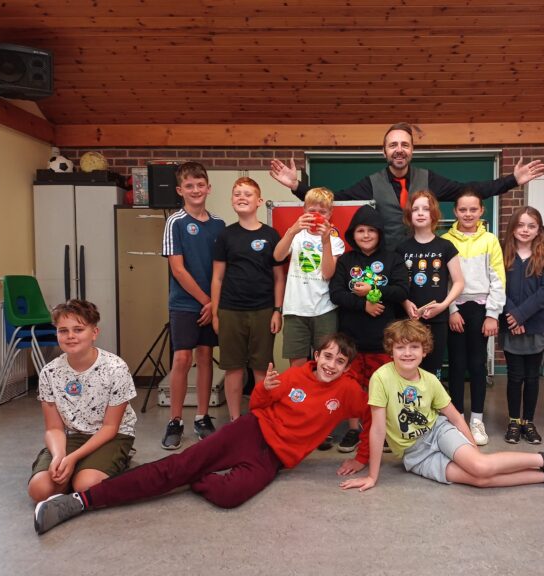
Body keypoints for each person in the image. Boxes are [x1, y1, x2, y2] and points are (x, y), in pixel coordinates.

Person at [33, 334, 372, 535]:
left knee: (229, 496)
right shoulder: (296, 375)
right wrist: (267, 389)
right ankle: (78, 503)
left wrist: (362, 458)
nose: (331, 364)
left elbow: (372, 416)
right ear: (317, 355)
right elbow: (257, 404)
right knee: (174, 469)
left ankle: (195, 472)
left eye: (339, 361)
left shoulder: (348, 392)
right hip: (251, 432)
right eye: (327, 356)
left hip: (275, 459)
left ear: (346, 367)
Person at [339, 320, 544, 493]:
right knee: (480, 480)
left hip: (438, 432)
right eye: (400, 347)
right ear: (391, 350)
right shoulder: (381, 378)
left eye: (414, 347)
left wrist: (472, 449)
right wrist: (373, 476)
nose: (407, 353)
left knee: (480, 467)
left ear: (424, 351)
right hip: (413, 455)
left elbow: (455, 417)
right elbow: (377, 430)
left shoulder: (430, 381)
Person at [269, 122, 544, 248]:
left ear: (412, 150)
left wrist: (512, 180)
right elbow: (336, 199)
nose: (398, 149)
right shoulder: (371, 183)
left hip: (422, 258)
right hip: (385, 262)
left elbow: (469, 191)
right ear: (384, 152)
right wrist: (297, 187)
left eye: (404, 144)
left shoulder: (429, 179)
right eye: (393, 145)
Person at [27, 300, 137, 503]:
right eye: (63, 330)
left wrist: (73, 458)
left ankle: (111, 460)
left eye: (78, 329)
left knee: (85, 486)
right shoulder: (49, 372)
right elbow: (53, 428)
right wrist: (60, 456)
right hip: (73, 435)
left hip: (111, 435)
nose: (70, 336)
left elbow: (111, 427)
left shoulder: (115, 368)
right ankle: (74, 468)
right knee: (39, 490)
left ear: (94, 332)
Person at [329, 204, 409, 452]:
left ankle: (381, 429)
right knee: (352, 388)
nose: (365, 235)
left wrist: (376, 293)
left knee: (381, 386)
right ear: (352, 233)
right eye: (360, 230)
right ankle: (354, 429)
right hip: (351, 338)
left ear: (380, 233)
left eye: (371, 230)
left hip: (382, 338)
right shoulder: (346, 261)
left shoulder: (393, 258)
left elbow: (401, 290)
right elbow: (336, 294)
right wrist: (363, 304)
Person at [160, 161, 226, 450]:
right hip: (186, 304)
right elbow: (178, 270)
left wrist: (215, 304)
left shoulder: (219, 224)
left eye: (200, 185)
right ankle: (175, 420)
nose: (195, 190)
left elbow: (222, 269)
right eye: (189, 186)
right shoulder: (175, 222)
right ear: (180, 190)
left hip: (211, 304)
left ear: (208, 188)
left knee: (205, 355)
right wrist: (206, 301)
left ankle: (202, 416)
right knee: (182, 359)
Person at [211, 176, 286, 421]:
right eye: (237, 194)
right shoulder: (225, 235)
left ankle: (260, 418)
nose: (242, 197)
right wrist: (215, 312)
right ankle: (234, 420)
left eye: (248, 194)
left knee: (261, 368)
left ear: (259, 201)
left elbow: (278, 278)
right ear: (232, 200)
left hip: (264, 310)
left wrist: (277, 310)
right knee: (233, 369)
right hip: (230, 311)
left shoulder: (271, 235)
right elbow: (217, 278)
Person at [442, 190, 505, 446]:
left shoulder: (490, 240)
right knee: (456, 365)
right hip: (455, 308)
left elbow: (498, 278)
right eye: (462, 210)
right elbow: (442, 282)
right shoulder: (445, 240)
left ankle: (476, 420)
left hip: (481, 309)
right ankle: (456, 418)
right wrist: (451, 309)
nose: (468, 214)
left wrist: (493, 314)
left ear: (481, 211)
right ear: (455, 212)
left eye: (473, 210)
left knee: (477, 365)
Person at [500, 206, 544, 445]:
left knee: (532, 377)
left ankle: (528, 422)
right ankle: (514, 421)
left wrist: (521, 316)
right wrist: (512, 317)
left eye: (531, 226)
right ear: (512, 227)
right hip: (510, 324)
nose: (525, 230)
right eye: (521, 225)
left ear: (538, 230)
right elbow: (497, 288)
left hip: (535, 325)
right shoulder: (502, 255)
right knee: (515, 376)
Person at [273, 187, 345, 367]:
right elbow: (278, 256)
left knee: (326, 362)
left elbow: (328, 273)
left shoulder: (335, 241)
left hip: (324, 310)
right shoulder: (296, 236)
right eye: (312, 211)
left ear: (330, 214)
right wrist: (291, 231)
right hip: (295, 309)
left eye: (322, 212)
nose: (317, 215)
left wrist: (326, 241)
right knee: (297, 365)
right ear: (304, 210)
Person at [397, 190, 464, 380]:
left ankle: (431, 408)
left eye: (425, 209)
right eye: (415, 209)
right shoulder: (401, 249)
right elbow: (398, 285)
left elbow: (459, 282)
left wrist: (443, 306)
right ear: (409, 215)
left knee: (432, 370)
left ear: (433, 214)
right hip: (409, 320)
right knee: (408, 368)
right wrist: (405, 303)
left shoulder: (446, 247)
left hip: (437, 320)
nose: (420, 213)